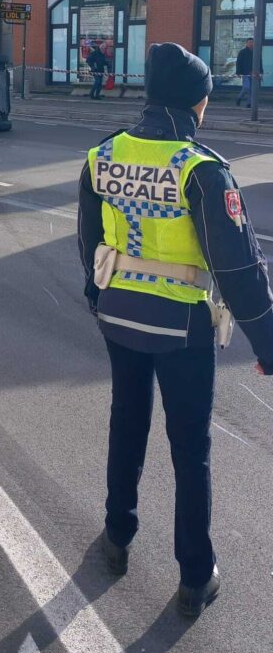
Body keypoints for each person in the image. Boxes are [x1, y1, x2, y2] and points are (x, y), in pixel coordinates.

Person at [78, 42, 273, 618]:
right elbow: (238, 269)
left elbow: (89, 242)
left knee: (126, 423)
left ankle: (116, 537)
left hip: (119, 318)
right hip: (182, 326)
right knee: (190, 448)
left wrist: (100, 299)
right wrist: (268, 344)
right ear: (199, 102)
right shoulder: (201, 169)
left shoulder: (101, 156)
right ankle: (194, 575)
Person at [235, 37, 263, 108]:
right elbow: (238, 62)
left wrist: (261, 72)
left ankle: (249, 103)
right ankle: (239, 98)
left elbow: (260, 62)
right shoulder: (242, 52)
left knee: (252, 89)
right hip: (245, 73)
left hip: (255, 73)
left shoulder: (256, 52)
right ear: (246, 43)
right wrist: (238, 72)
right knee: (246, 87)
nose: (251, 44)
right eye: (249, 42)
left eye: (252, 42)